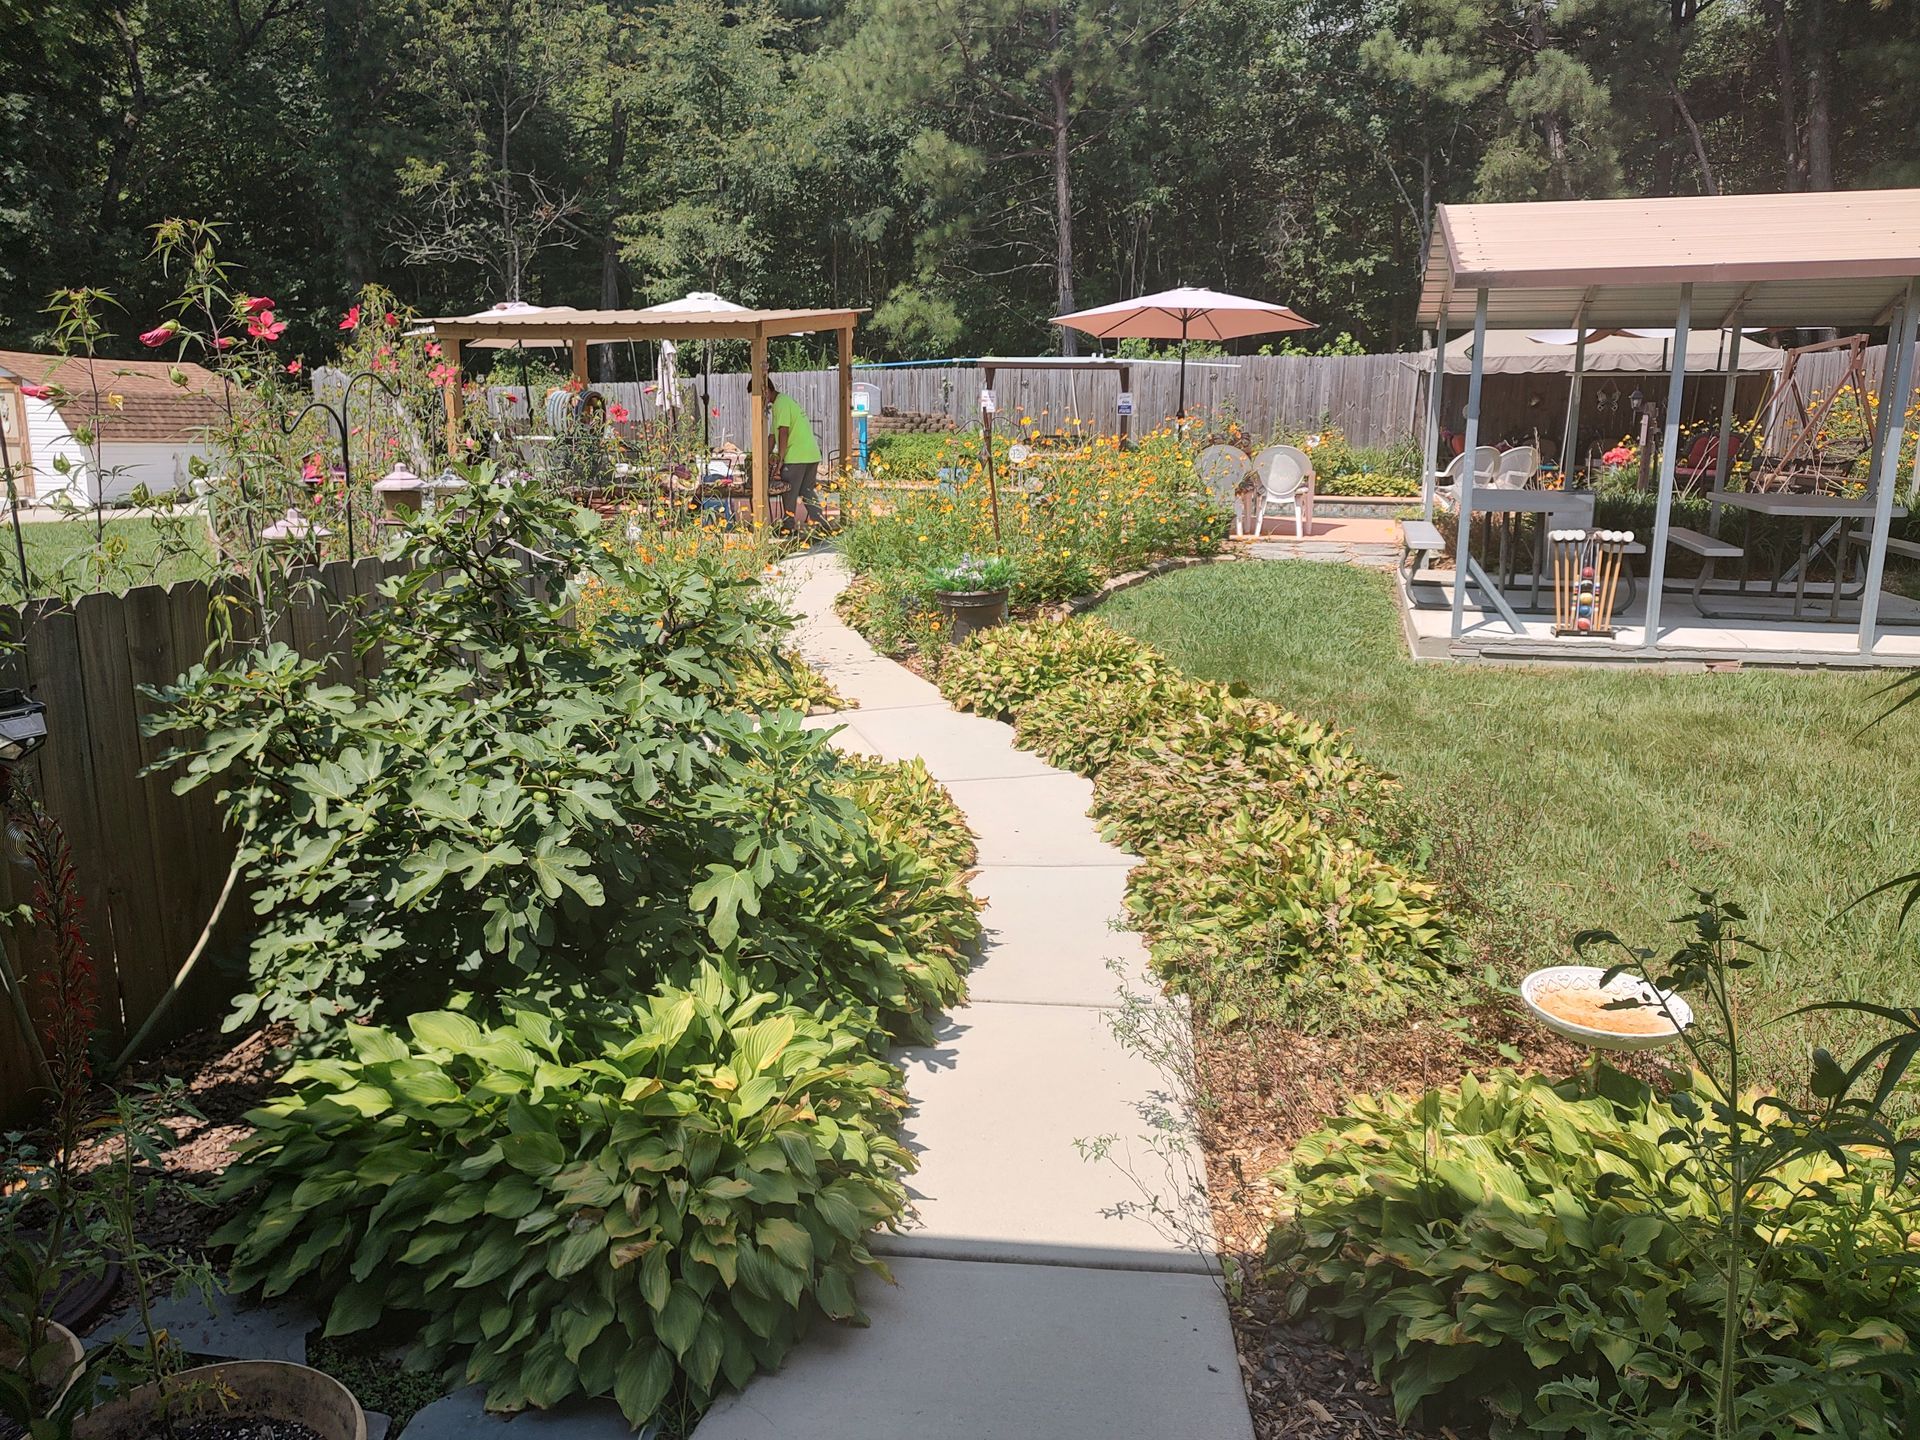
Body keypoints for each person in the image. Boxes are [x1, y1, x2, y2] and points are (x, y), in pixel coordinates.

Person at [761, 374, 822, 531]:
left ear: (766, 390)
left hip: (796, 456)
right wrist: (764, 456)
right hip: (811, 454)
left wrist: (780, 459)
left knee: (789, 491)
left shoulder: (780, 404)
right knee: (807, 491)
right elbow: (772, 436)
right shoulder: (783, 402)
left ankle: (788, 527)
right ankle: (822, 523)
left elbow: (783, 432)